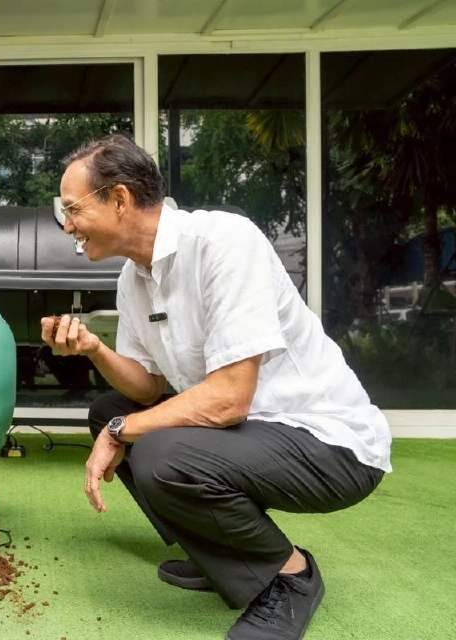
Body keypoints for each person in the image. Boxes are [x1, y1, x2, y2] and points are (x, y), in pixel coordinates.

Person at [41, 133, 390, 640]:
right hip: (251, 433)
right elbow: (145, 389)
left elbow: (228, 399)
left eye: (71, 209)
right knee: (109, 409)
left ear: (119, 199)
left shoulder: (224, 242)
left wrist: (123, 432)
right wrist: (95, 349)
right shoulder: (133, 279)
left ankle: (290, 577)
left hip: (329, 443)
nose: (66, 224)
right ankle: (218, 553)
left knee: (159, 450)